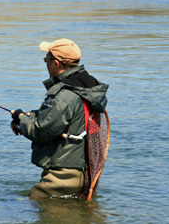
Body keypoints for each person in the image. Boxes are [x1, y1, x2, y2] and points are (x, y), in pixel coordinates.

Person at [11, 38, 109, 200]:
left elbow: (40, 131)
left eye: (46, 60)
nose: (45, 63)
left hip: (63, 175)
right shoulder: (87, 87)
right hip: (84, 172)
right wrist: (28, 116)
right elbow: (61, 118)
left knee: (32, 202)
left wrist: (21, 119)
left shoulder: (64, 95)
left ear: (56, 63)